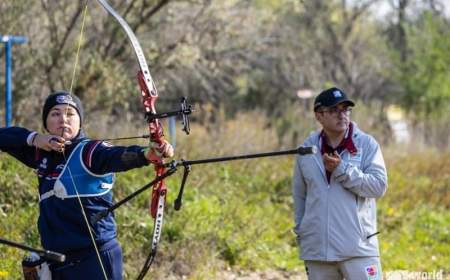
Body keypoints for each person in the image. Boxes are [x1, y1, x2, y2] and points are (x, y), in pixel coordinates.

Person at [0, 91, 174, 280]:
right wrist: (34, 138)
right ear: (46, 122)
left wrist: (147, 154)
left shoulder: (90, 151)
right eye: (55, 113)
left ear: (80, 121)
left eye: (70, 113)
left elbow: (116, 156)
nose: (63, 119)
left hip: (94, 259)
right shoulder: (41, 153)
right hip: (57, 260)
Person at [292, 87, 387, 280]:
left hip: (358, 249)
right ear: (319, 116)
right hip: (317, 251)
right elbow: (300, 195)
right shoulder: (306, 150)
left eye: (345, 109)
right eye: (334, 110)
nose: (342, 115)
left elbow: (378, 186)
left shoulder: (367, 145)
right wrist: (303, 231)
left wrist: (342, 170)